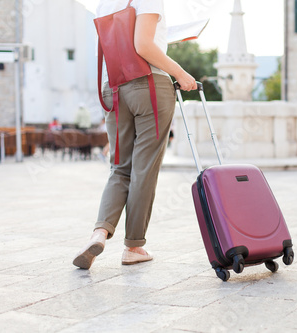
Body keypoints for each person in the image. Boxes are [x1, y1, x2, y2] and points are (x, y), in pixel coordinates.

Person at [73, 0, 196, 269]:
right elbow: (144, 46)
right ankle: (134, 247)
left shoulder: (104, 4)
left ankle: (99, 233)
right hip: (148, 85)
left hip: (114, 88)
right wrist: (181, 73)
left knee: (119, 167)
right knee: (144, 168)